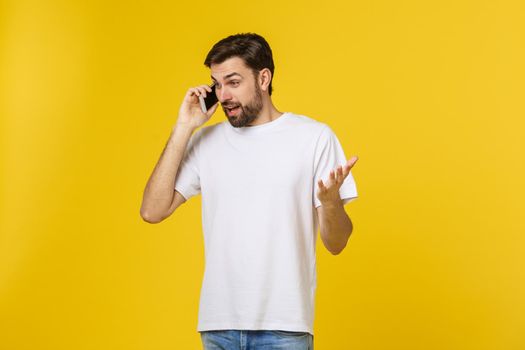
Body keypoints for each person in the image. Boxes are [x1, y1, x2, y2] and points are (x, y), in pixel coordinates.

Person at [140, 33, 359, 350]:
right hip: (219, 327)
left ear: (264, 78)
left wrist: (329, 204)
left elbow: (336, 243)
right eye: (216, 84)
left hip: (284, 328)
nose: (223, 94)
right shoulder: (207, 142)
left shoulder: (314, 138)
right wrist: (184, 127)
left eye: (233, 82)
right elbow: (152, 211)